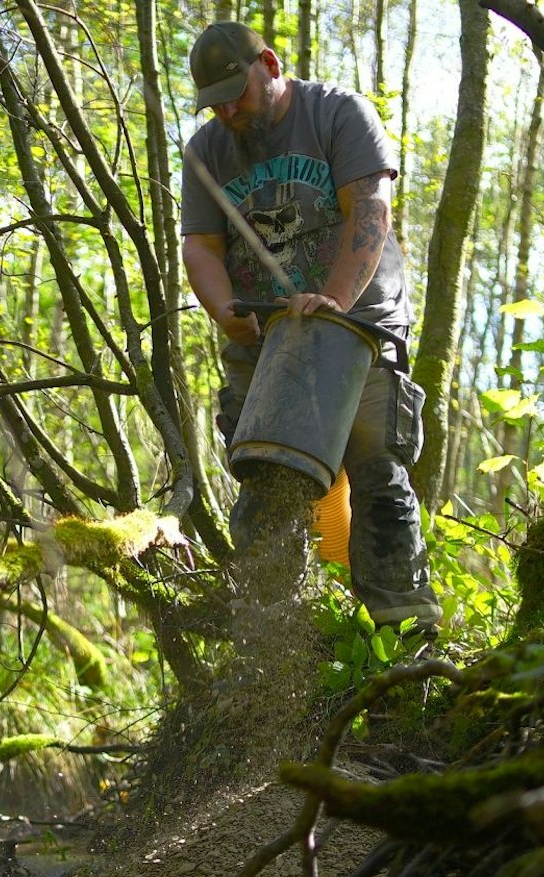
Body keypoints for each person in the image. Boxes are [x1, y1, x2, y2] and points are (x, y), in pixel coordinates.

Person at [180, 20, 441, 636]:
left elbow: (371, 207)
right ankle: (272, 650)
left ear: (268, 65)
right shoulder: (206, 151)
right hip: (265, 343)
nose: (225, 109)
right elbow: (200, 247)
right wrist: (225, 313)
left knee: (377, 470)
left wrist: (335, 296)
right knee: (270, 480)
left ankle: (402, 642)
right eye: (212, 101)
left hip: (356, 331)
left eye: (234, 93)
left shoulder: (337, 114)